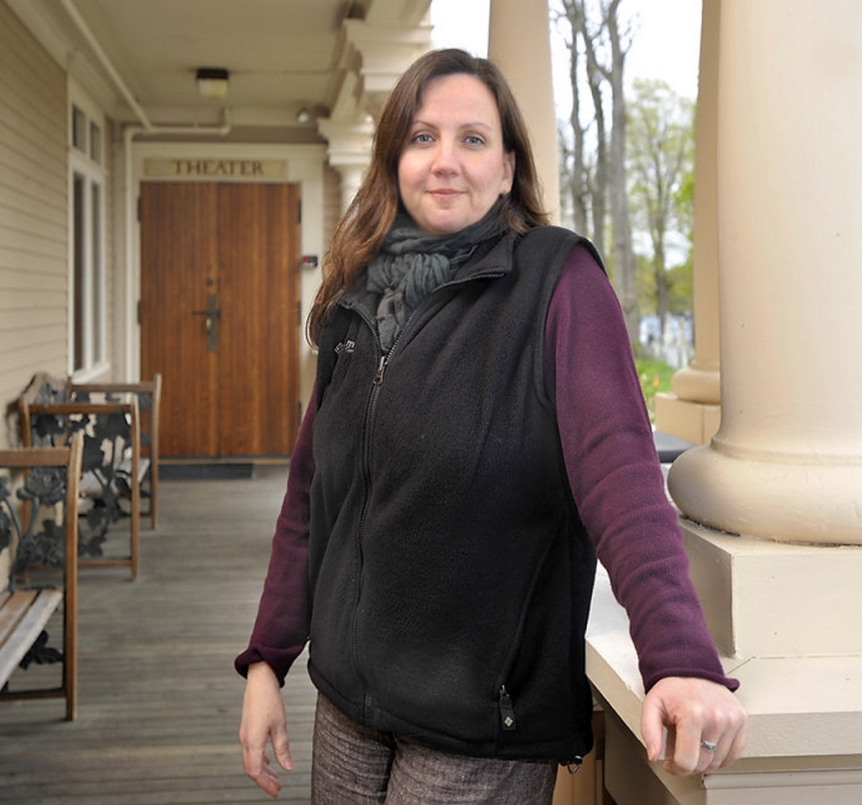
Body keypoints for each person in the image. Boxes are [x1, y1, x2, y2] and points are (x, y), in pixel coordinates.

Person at [236, 48, 748, 804]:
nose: (446, 161)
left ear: (508, 169)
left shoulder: (557, 283)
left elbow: (622, 479)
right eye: (421, 138)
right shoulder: (358, 301)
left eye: (472, 139)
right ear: (394, 162)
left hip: (480, 720)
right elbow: (313, 499)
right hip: (346, 703)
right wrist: (267, 662)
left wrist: (679, 656)